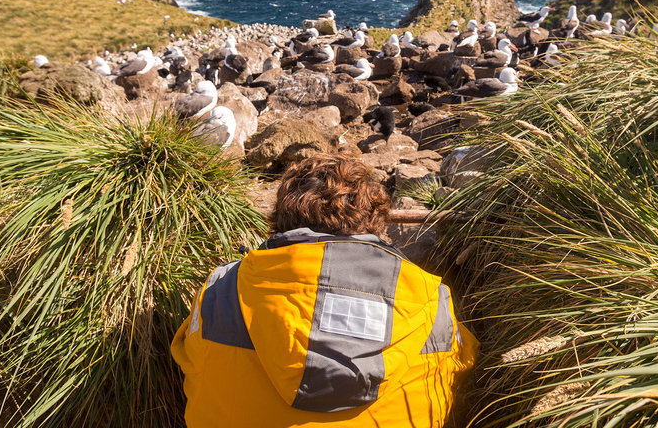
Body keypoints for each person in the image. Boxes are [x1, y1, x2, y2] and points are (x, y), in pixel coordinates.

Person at [171, 154, 478, 427]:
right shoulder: (431, 295)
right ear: (377, 222)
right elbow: (462, 367)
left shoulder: (222, 285)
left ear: (280, 220)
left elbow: (187, 355)